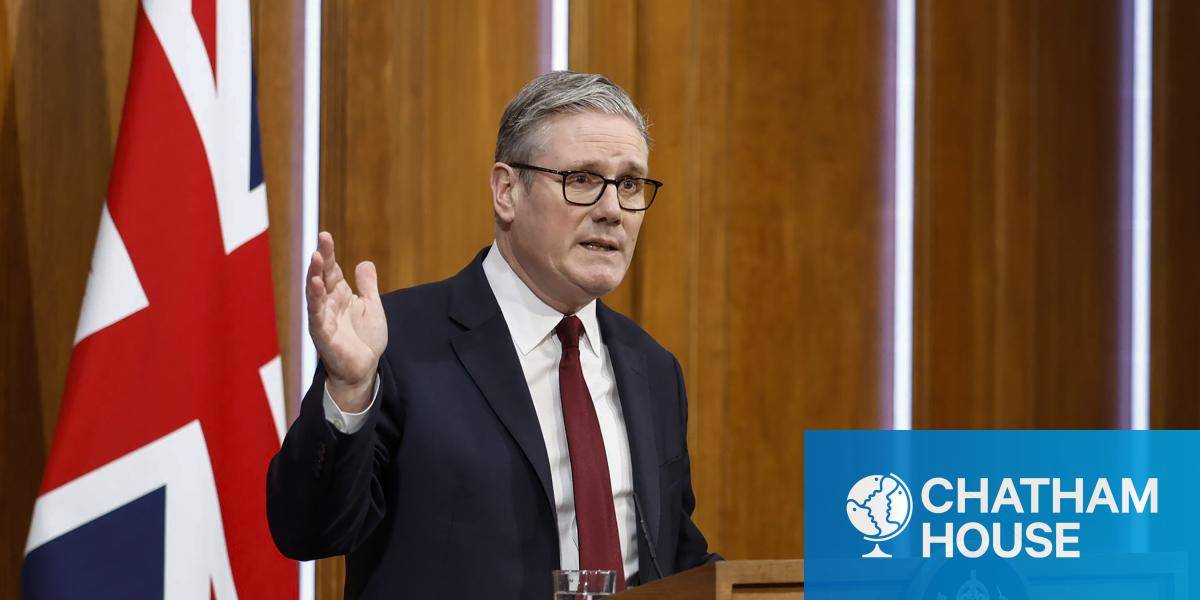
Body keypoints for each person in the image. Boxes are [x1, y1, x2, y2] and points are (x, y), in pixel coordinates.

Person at [267, 71, 719, 599]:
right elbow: (306, 531)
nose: (612, 210)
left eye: (629, 184)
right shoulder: (397, 345)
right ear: (507, 191)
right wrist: (347, 393)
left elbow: (677, 563)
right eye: (582, 180)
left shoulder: (654, 368)